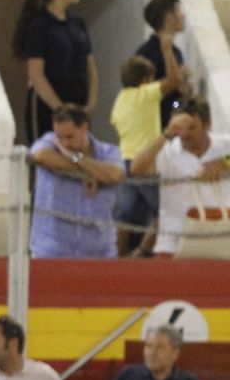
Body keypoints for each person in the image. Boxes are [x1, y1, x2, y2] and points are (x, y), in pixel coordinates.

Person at [130, 97, 230, 259]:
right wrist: (168, 133)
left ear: (207, 124)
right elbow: (137, 169)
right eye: (180, 128)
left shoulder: (225, 145)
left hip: (223, 242)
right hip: (172, 244)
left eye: (191, 127)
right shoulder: (166, 151)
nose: (185, 134)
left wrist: (225, 163)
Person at [110, 54, 185, 257]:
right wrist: (166, 49)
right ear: (145, 79)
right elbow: (174, 83)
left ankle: (118, 255)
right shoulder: (144, 94)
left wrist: (179, 101)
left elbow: (175, 105)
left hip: (125, 160)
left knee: (124, 215)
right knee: (164, 210)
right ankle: (141, 253)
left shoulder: (119, 100)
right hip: (146, 162)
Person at [28, 105, 123, 258]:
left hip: (98, 252)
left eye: (70, 137)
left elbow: (115, 175)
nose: (64, 143)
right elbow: (40, 156)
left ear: (85, 128)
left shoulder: (108, 152)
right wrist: (86, 174)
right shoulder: (49, 144)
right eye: (59, 137)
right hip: (51, 250)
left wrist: (76, 158)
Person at [14, 0, 95, 143]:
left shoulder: (78, 23)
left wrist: (89, 105)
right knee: (48, 159)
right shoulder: (39, 26)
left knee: (80, 161)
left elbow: (91, 68)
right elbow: (36, 75)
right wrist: (61, 109)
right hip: (48, 106)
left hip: (78, 103)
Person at [102, 325, 212, 380]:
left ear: (175, 353)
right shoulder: (127, 376)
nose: (152, 353)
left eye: (160, 347)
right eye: (148, 346)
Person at [135, 0, 190, 131]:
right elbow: (141, 94)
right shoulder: (145, 53)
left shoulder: (176, 52)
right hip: (152, 127)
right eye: (178, 10)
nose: (183, 15)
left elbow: (177, 98)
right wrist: (175, 81)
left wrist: (185, 88)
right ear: (168, 17)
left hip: (173, 121)